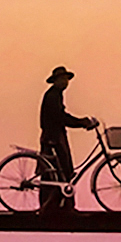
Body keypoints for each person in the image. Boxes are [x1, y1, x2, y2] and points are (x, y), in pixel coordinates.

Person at [39, 67, 97, 209]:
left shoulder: (56, 95)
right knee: (62, 172)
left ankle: (57, 206)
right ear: (56, 81)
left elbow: (61, 116)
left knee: (58, 173)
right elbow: (61, 117)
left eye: (66, 79)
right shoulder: (52, 95)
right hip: (53, 138)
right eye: (62, 79)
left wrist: (80, 122)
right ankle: (62, 207)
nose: (65, 82)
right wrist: (81, 122)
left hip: (55, 136)